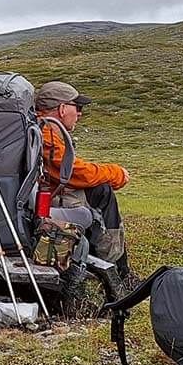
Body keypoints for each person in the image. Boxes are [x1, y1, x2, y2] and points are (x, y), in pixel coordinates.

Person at [34, 81, 137, 285]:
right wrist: (115, 173)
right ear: (63, 108)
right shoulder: (48, 132)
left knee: (101, 191)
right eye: (77, 107)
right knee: (102, 192)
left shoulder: (47, 129)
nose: (79, 113)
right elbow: (73, 173)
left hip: (51, 195)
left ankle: (118, 268)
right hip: (52, 202)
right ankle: (118, 271)